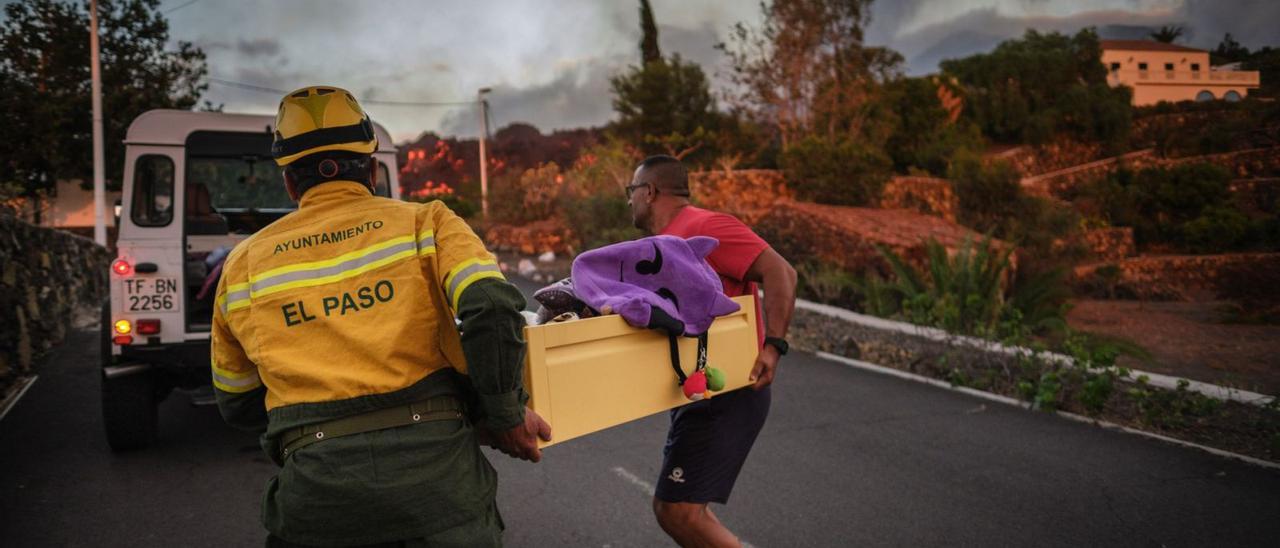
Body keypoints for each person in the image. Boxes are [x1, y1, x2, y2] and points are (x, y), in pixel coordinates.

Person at [211, 85, 550, 547]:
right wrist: (505, 414)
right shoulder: (427, 221)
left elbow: (236, 400)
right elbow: (490, 305)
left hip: (318, 500)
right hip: (440, 494)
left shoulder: (242, 264)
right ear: (372, 169)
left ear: (290, 182)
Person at [626, 155, 797, 547]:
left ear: (649, 191)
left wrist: (774, 345)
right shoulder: (657, 246)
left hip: (731, 392)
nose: (629, 201)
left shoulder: (705, 226)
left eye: (630, 192)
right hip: (697, 392)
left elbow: (781, 272)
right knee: (687, 510)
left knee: (678, 512)